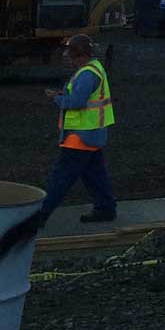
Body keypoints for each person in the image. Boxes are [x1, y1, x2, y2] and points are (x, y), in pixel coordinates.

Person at [37, 34, 118, 225]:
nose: (69, 59)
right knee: (95, 175)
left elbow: (76, 102)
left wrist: (56, 98)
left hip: (79, 137)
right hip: (92, 134)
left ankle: (40, 216)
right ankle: (105, 209)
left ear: (79, 55)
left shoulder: (86, 74)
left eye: (71, 55)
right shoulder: (95, 68)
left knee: (61, 178)